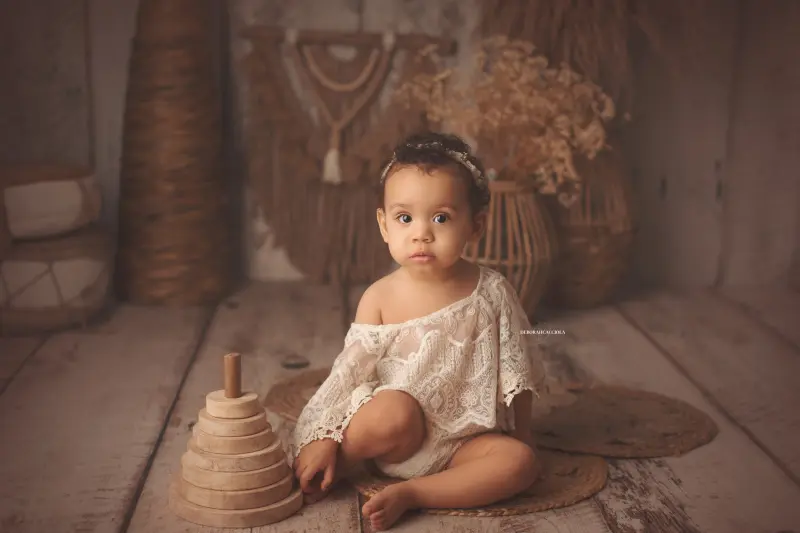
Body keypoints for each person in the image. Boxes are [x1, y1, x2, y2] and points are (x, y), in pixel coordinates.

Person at [290, 131, 548, 531]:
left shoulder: (492, 291)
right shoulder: (380, 296)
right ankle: (335, 461)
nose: (421, 233)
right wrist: (324, 435)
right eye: (405, 218)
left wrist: (525, 433)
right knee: (393, 410)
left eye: (441, 218)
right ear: (384, 225)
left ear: (475, 226)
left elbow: (517, 370)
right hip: (399, 437)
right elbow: (348, 374)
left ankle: (416, 494)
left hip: (466, 442)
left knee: (520, 462)